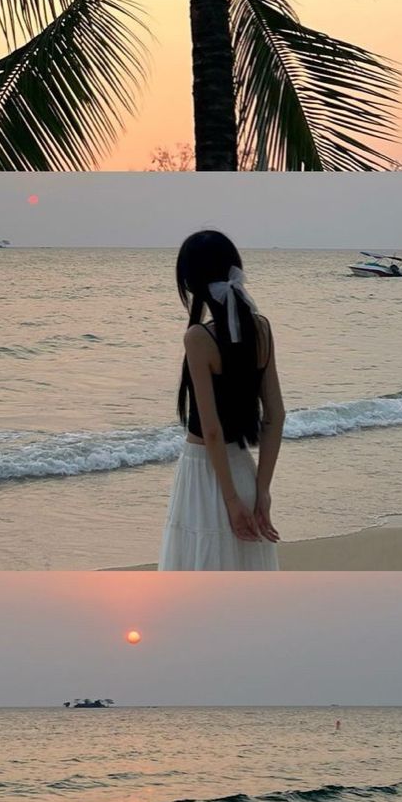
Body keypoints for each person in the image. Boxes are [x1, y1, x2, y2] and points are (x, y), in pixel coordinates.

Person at [158, 231, 285, 571]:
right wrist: (263, 491)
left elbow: (211, 431)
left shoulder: (198, 337)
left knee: (200, 565)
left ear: (190, 283)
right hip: (244, 470)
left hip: (204, 472)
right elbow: (276, 416)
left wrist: (230, 500)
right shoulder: (261, 329)